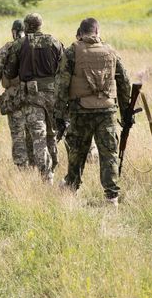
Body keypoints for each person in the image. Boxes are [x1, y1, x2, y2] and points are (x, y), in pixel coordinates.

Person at [54, 18, 131, 206]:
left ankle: (72, 186)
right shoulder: (111, 51)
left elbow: (61, 85)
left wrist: (59, 114)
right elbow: (125, 82)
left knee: (77, 151)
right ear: (97, 31)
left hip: (80, 111)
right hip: (107, 111)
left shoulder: (72, 51)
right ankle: (112, 197)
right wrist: (125, 111)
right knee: (109, 153)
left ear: (80, 33)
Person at [3, 13, 63, 183]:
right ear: (40, 25)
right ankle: (53, 166)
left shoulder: (20, 44)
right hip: (52, 96)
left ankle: (47, 175)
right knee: (52, 134)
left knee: (38, 137)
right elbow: (63, 68)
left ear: (26, 26)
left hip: (31, 97)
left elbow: (10, 72)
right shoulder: (54, 42)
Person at [0, 20, 34, 168]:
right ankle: (36, 164)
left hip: (14, 96)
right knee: (34, 132)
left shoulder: (6, 48)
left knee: (18, 134)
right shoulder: (35, 46)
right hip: (35, 95)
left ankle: (22, 167)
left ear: (14, 32)